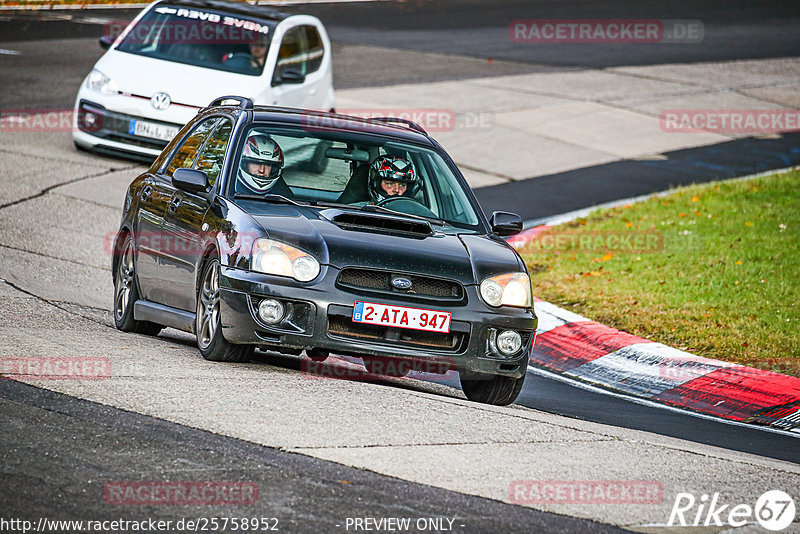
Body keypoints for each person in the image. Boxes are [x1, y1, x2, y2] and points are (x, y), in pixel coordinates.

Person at [235, 132, 293, 197]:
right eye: (256, 163)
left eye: (268, 164)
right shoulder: (230, 187)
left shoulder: (283, 195)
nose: (262, 170)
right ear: (245, 164)